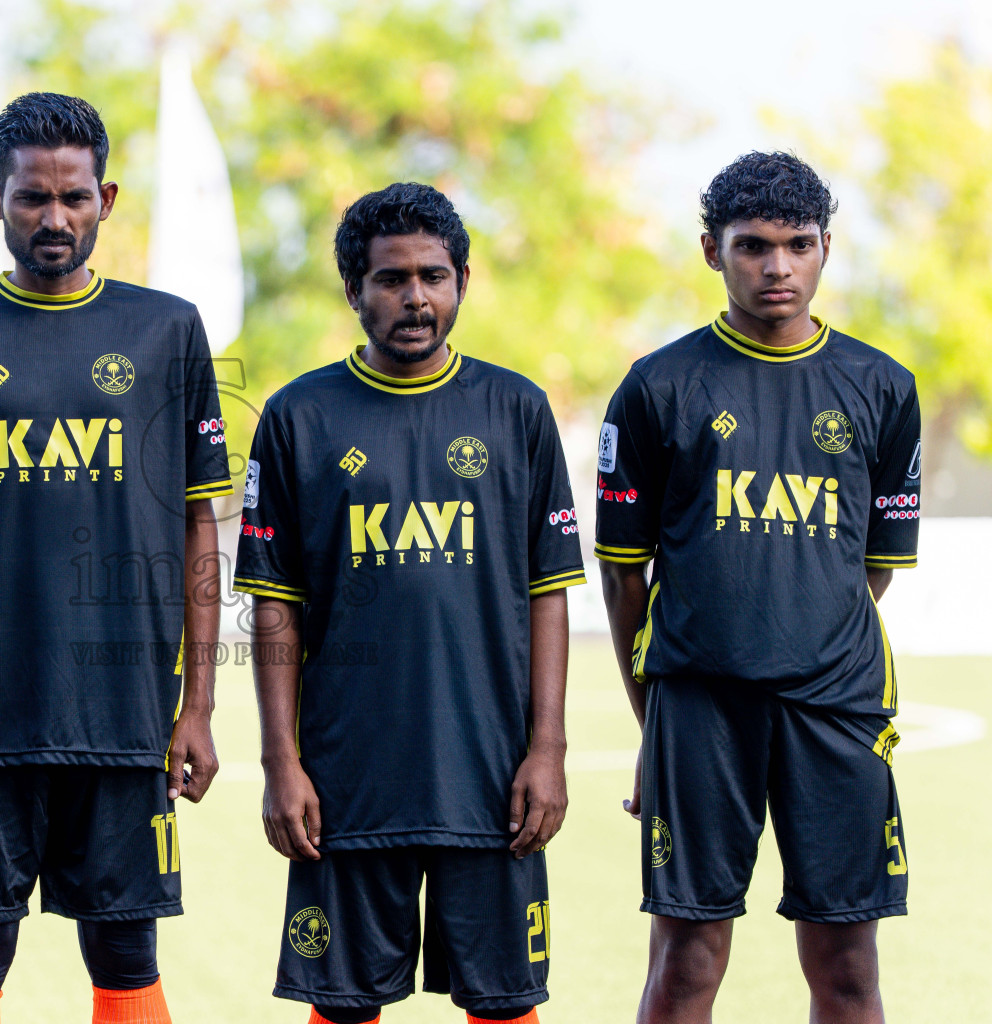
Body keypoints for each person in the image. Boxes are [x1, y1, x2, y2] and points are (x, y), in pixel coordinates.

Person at [0, 92, 232, 1024]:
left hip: (127, 716)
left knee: (125, 947)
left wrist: (199, 705)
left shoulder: (167, 330)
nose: (54, 218)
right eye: (32, 198)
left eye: (74, 198)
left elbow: (200, 523)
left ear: (107, 197)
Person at [235, 182, 582, 1024]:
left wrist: (548, 748)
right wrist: (281, 762)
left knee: (503, 1003)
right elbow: (276, 608)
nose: (416, 297)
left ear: (464, 279)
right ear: (353, 290)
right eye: (391, 279)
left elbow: (548, 593)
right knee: (345, 1003)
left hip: (491, 776)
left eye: (434, 275)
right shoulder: (297, 417)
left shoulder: (517, 410)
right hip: (347, 778)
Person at [596, 151, 919, 1024]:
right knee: (687, 962)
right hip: (700, 708)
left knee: (849, 966)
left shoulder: (883, 387)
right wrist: (655, 721)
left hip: (838, 711)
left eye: (798, 245)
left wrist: (805, 638)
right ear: (712, 251)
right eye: (753, 247)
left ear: (826, 248)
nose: (778, 267)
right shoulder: (659, 386)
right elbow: (624, 577)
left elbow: (875, 567)